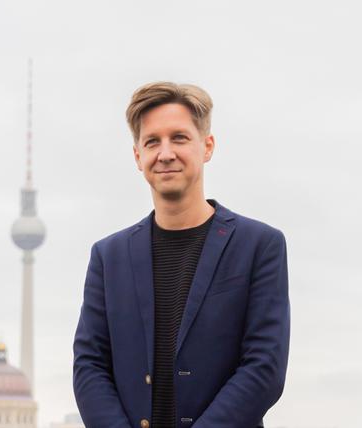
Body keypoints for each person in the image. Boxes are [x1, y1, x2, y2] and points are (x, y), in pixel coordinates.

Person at [72, 82, 290, 427]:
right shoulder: (108, 256)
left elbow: (264, 367)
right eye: (152, 141)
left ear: (207, 146)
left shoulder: (259, 246)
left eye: (179, 138)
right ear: (137, 156)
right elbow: (90, 366)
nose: (166, 153)